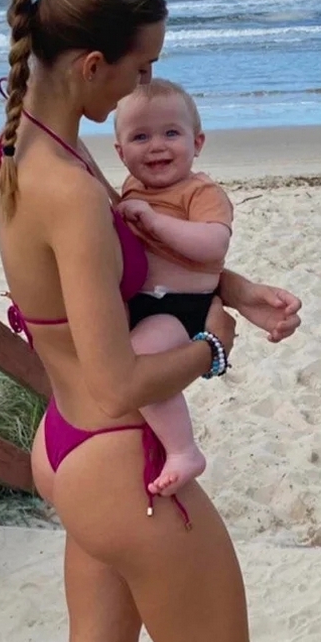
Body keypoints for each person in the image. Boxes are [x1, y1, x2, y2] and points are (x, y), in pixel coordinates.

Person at [0, 0, 302, 642]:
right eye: (141, 66)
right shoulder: (74, 186)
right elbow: (124, 379)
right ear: (95, 65)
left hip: (63, 444)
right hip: (119, 459)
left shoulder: (21, 145)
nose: (145, 80)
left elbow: (126, 275)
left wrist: (232, 286)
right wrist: (215, 346)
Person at [113, 77, 234, 499]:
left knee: (139, 361)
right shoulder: (131, 189)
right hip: (144, 301)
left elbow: (212, 245)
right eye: (140, 136)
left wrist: (153, 221)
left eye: (171, 133)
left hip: (183, 306)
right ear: (120, 152)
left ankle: (183, 450)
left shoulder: (200, 191)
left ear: (197, 142)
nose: (157, 146)